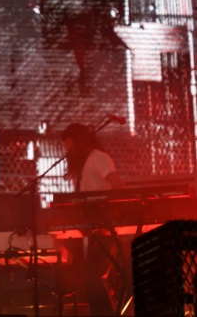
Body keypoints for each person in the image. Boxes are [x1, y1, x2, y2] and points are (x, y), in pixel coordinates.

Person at [61, 123, 125, 316]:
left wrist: (108, 209)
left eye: (68, 143)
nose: (67, 149)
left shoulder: (96, 158)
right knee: (89, 280)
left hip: (106, 226)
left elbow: (118, 186)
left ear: (77, 141)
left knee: (93, 278)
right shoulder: (83, 166)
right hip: (94, 228)